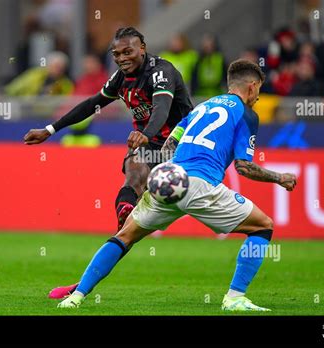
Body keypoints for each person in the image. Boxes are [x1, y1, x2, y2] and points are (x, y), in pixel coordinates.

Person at [52, 59, 297, 312]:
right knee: (263, 226)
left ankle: (76, 297)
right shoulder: (247, 115)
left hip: (169, 179)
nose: (257, 97)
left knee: (124, 236)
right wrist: (280, 178)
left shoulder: (202, 107)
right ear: (252, 86)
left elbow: (169, 144)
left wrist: (159, 178)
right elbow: (243, 167)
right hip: (202, 185)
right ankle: (235, 298)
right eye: (258, 91)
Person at [23, 27, 194, 230]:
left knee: (200, 200)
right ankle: (125, 214)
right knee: (134, 173)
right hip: (149, 142)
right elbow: (91, 105)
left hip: (183, 139)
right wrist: (50, 129)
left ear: (142, 49)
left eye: (127, 52)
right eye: (116, 54)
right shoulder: (120, 78)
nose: (121, 58)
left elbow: (161, 110)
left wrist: (145, 134)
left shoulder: (160, 72)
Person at [5, 51, 73, 96]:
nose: (58, 70)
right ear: (49, 65)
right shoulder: (35, 75)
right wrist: (3, 95)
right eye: (55, 66)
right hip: (27, 110)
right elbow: (15, 87)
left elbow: (67, 101)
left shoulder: (66, 84)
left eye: (61, 67)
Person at [191, 34, 227, 98]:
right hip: (200, 94)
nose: (208, 47)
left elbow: (225, 76)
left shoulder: (220, 59)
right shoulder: (198, 60)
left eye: (210, 44)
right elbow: (194, 78)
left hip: (217, 93)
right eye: (206, 45)